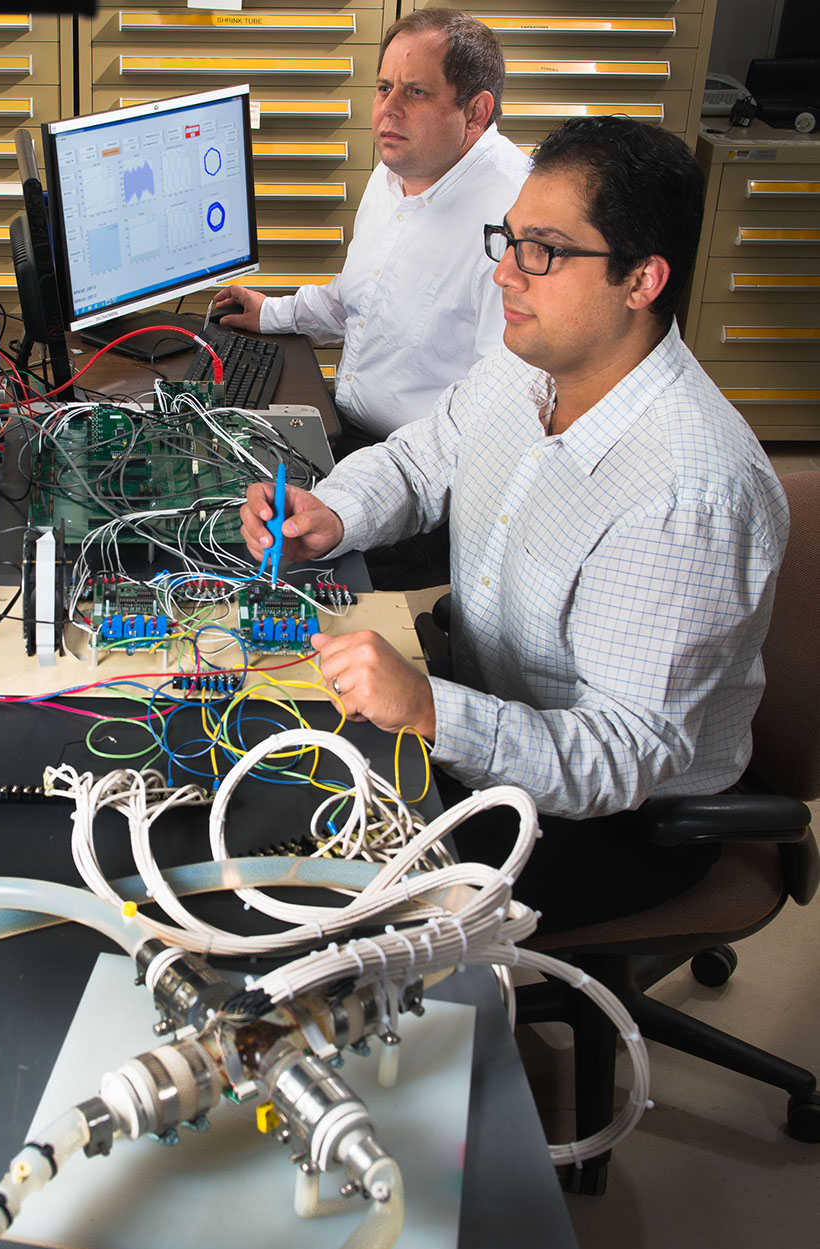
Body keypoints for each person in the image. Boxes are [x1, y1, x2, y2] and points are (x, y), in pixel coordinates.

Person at [238, 116, 790, 931]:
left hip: (612, 821)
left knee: (322, 900)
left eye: (545, 250)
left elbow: (621, 756)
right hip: (492, 710)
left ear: (642, 280)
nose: (505, 275)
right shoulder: (527, 362)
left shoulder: (689, 495)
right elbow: (425, 458)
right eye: (510, 239)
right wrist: (334, 510)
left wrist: (430, 710)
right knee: (272, 773)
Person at [213, 8, 530, 448]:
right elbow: (361, 298)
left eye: (416, 92)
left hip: (419, 470)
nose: (388, 110)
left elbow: (497, 411)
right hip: (349, 427)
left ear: (476, 112)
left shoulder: (518, 222)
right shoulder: (394, 173)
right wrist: (272, 313)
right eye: (384, 88)